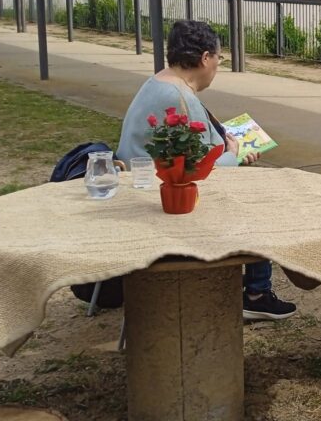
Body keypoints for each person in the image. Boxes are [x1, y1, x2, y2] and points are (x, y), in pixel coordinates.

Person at [117, 20, 294, 321]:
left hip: (143, 188)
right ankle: (257, 292)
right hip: (164, 200)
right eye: (218, 58)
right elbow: (197, 170)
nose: (217, 66)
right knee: (258, 207)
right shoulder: (179, 98)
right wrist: (234, 156)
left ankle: (250, 285)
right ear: (205, 58)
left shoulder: (158, 82)